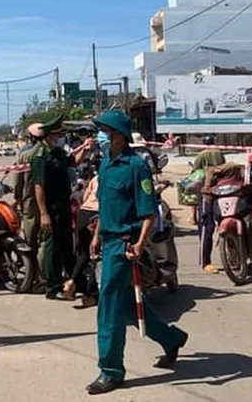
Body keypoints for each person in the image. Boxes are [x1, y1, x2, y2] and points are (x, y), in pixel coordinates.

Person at [86, 109, 188, 395]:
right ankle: (172, 338)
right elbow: (105, 205)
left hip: (124, 245)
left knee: (107, 307)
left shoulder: (136, 167)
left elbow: (148, 214)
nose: (100, 138)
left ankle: (111, 370)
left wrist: (139, 245)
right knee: (127, 307)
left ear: (118, 135)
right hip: (107, 239)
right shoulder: (106, 163)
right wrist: (96, 235)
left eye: (104, 132)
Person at [32, 114, 91, 300]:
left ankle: (74, 282)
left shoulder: (57, 153)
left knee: (68, 246)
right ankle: (53, 287)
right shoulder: (40, 156)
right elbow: (38, 187)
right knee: (53, 248)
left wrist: (86, 149)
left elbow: (73, 162)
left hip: (64, 205)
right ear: (49, 135)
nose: (60, 138)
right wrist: (43, 214)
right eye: (57, 135)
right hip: (51, 208)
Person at [63, 155, 101, 308]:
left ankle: (71, 280)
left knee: (84, 253)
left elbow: (85, 197)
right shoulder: (115, 177)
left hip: (84, 214)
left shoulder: (95, 179)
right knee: (96, 256)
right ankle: (89, 295)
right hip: (98, 215)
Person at [14, 123, 48, 289]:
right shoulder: (49, 153)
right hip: (49, 203)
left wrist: (18, 198)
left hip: (30, 204)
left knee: (30, 241)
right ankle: (44, 276)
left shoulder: (24, 156)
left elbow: (18, 182)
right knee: (44, 241)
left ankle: (33, 276)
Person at [192, 135, 226, 274]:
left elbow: (195, 172)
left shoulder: (201, 155)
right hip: (221, 189)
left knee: (206, 226)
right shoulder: (219, 153)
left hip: (206, 192)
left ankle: (205, 262)